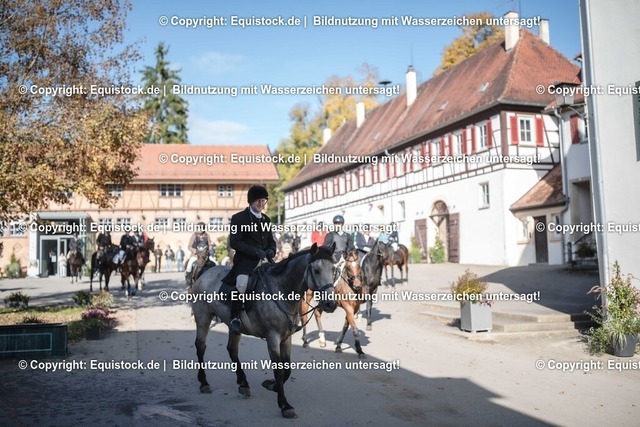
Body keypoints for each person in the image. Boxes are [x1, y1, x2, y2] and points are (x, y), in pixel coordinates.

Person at [222, 185, 277, 335]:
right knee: (241, 285)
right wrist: (255, 252)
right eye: (258, 200)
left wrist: (272, 250)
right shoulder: (238, 218)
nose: (261, 203)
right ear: (251, 201)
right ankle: (235, 318)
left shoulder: (266, 219)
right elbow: (235, 242)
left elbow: (271, 241)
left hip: (265, 261)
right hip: (245, 262)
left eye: (263, 200)